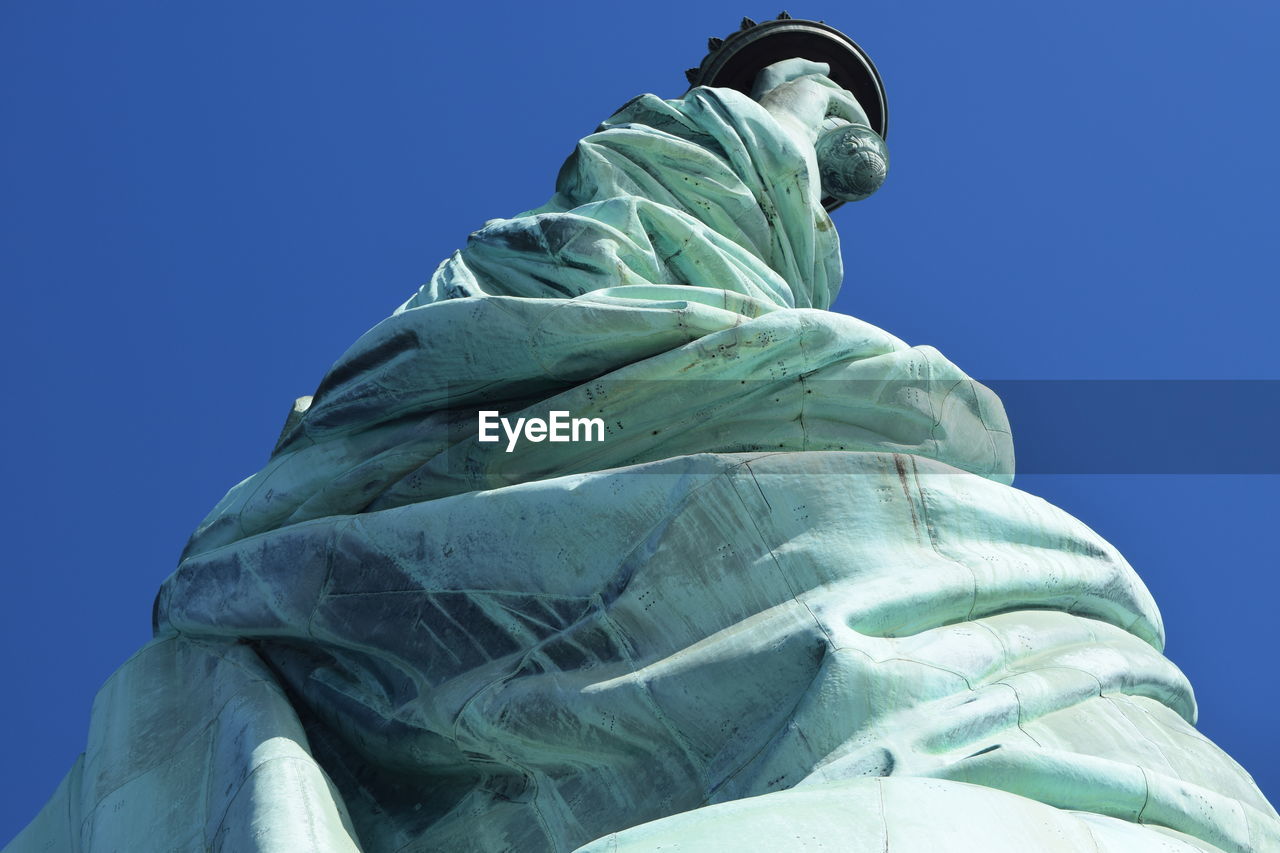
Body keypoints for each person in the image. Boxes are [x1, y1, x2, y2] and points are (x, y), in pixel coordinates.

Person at [8, 59, 1276, 853]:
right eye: (819, 92)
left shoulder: (717, 235)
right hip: (534, 423)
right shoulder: (652, 182)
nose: (834, 113)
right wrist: (772, 108)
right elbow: (584, 279)